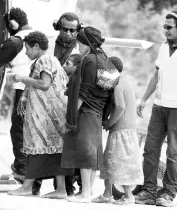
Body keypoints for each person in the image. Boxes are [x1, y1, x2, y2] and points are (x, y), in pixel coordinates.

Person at [7, 31, 73, 198]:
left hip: (46, 115)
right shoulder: (50, 60)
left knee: (35, 148)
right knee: (54, 151)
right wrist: (25, 95)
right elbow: (38, 81)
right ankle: (61, 189)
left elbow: (44, 83)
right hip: (53, 115)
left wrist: (21, 78)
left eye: (28, 49)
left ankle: (27, 186)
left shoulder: (45, 59)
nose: (26, 53)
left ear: (37, 46)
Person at [0, 8, 41, 194]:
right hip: (31, 88)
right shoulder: (30, 36)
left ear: (13, 24)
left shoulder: (16, 41)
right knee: (25, 130)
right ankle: (26, 171)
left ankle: (21, 170)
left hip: (23, 89)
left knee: (17, 129)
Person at [61, 26, 111, 203]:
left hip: (86, 112)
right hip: (98, 112)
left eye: (80, 44)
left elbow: (84, 91)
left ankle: (85, 194)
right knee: (92, 153)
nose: (78, 48)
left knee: (85, 154)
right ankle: (88, 192)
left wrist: (71, 115)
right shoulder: (103, 58)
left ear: (86, 43)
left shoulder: (89, 59)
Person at [135, 11, 177, 207]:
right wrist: (143, 99)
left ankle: (168, 192)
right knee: (150, 149)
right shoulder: (163, 48)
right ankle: (149, 190)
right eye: (164, 26)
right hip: (159, 107)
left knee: (173, 153)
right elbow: (156, 76)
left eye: (169, 27)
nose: (165, 30)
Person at [92, 56, 143, 205]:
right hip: (120, 130)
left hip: (122, 131)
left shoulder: (118, 84)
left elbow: (120, 107)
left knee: (121, 164)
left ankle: (128, 196)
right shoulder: (121, 82)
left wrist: (109, 122)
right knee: (109, 162)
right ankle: (107, 194)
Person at [53, 12, 82, 196]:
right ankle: (40, 184)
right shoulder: (48, 44)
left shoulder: (81, 49)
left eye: (74, 30)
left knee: (70, 147)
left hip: (70, 103)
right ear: (58, 27)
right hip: (49, 101)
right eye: (66, 29)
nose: (70, 34)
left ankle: (70, 188)